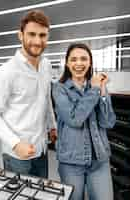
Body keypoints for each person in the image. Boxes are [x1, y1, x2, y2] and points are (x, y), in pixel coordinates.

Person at [0, 10, 56, 178]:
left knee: (41, 194)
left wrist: (52, 125)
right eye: (32, 34)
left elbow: (46, 98)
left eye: (42, 35)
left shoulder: (46, 65)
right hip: (17, 155)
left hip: (41, 149)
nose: (37, 41)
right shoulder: (6, 72)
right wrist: (16, 144)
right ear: (20, 35)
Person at [52, 43, 116, 200]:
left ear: (90, 63)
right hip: (71, 162)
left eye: (83, 59)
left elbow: (108, 122)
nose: (79, 63)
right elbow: (74, 119)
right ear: (67, 63)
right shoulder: (60, 89)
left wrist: (102, 92)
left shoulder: (95, 86)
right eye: (73, 59)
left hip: (99, 160)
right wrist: (94, 90)